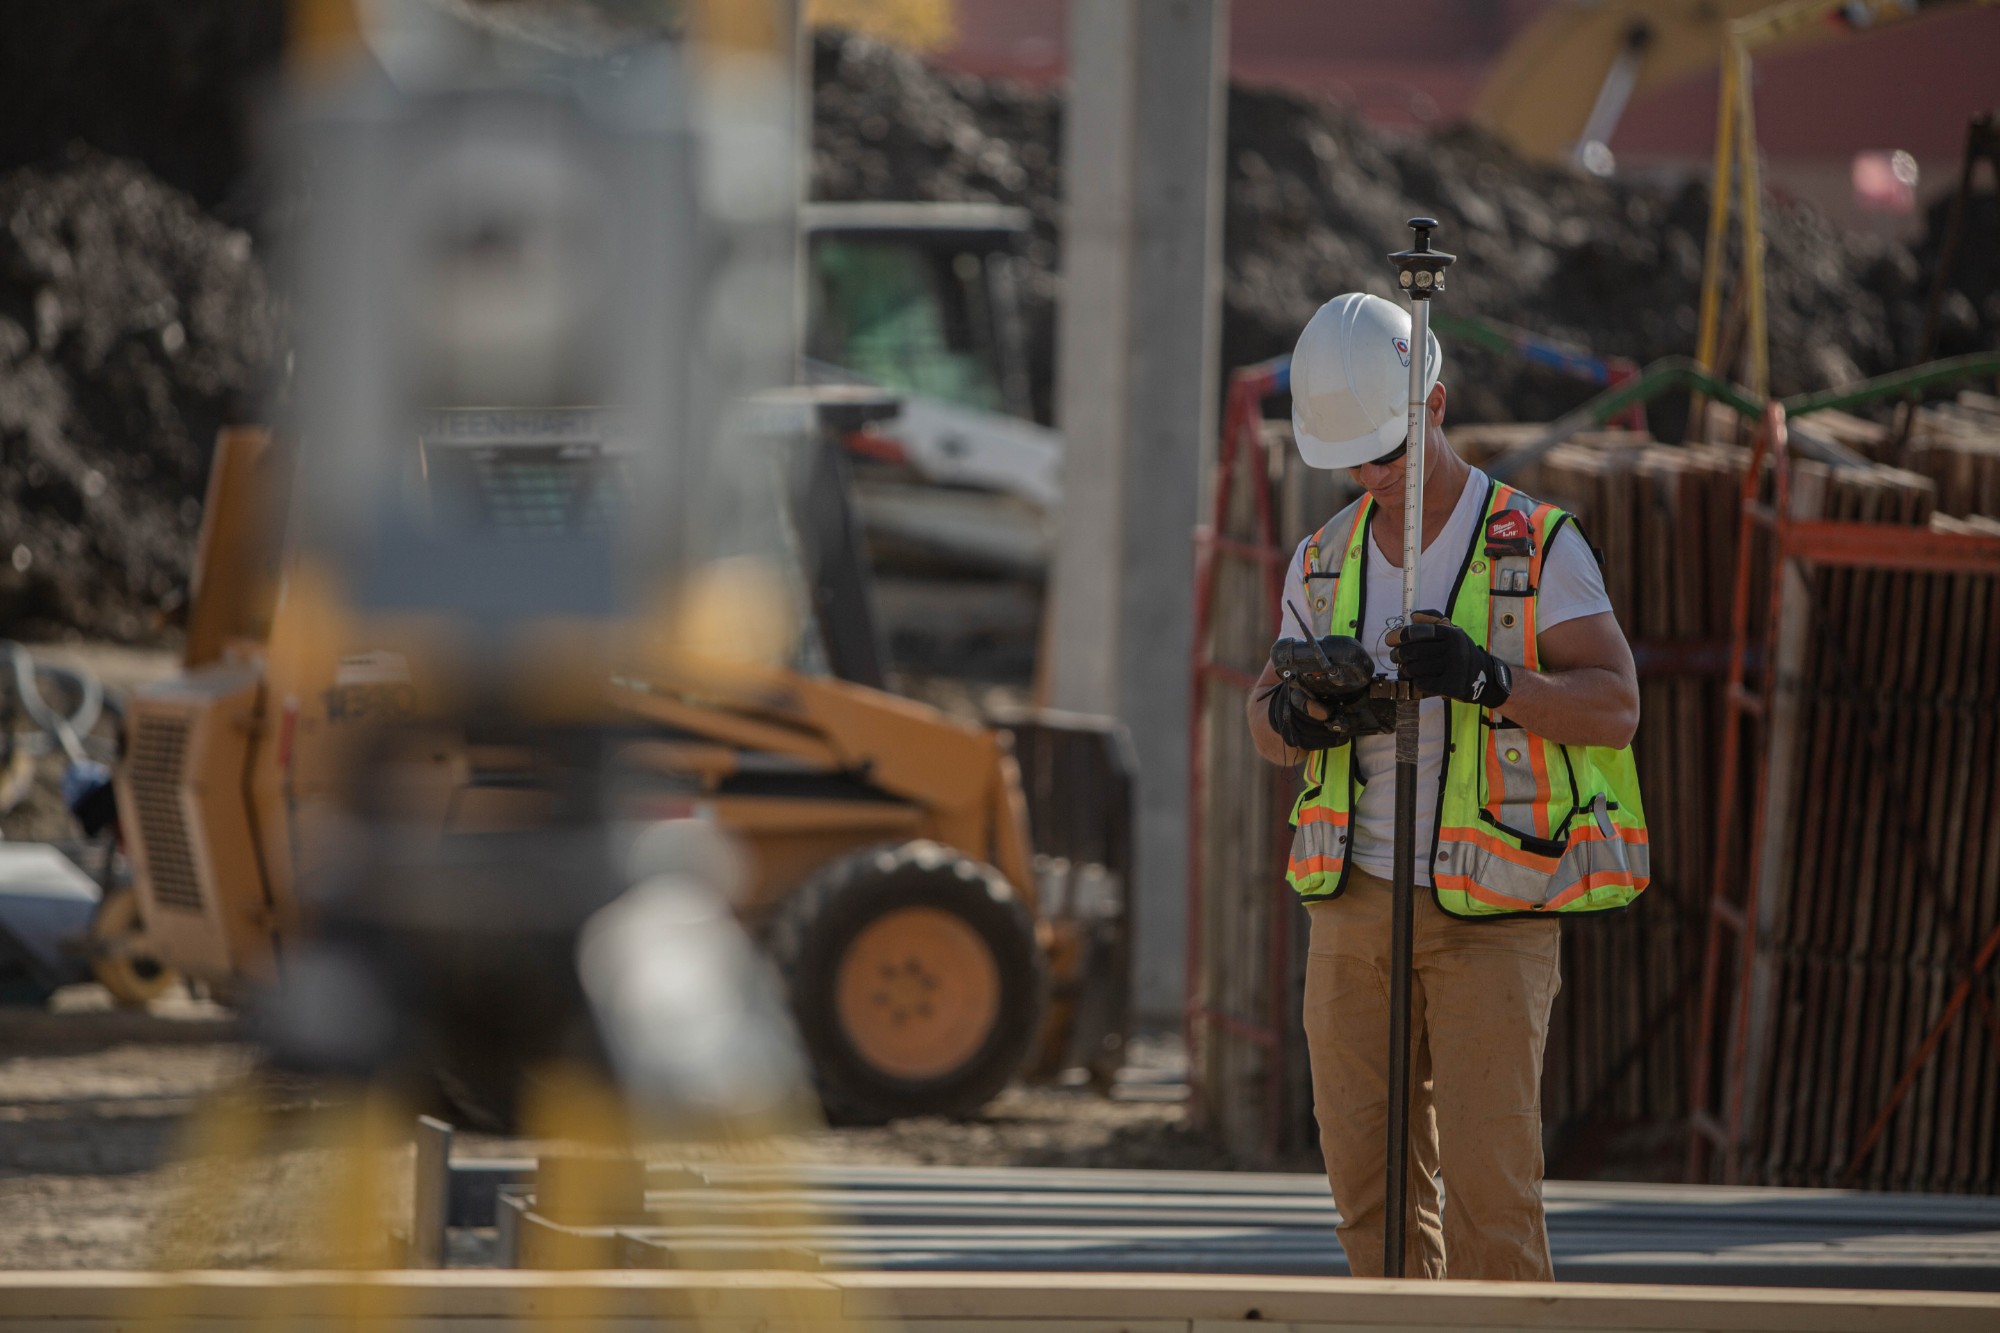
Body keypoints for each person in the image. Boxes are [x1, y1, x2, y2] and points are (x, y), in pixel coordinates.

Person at [1244, 292, 1649, 1282]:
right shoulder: (1323, 559)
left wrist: (1489, 679)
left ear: (1432, 402)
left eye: (1384, 447)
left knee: (1488, 1195)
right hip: (1352, 907)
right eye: (1350, 458)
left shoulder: (1533, 545)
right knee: (1367, 1194)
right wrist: (1295, 719)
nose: (1369, 474)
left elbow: (1611, 706)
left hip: (1491, 911)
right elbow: (1261, 720)